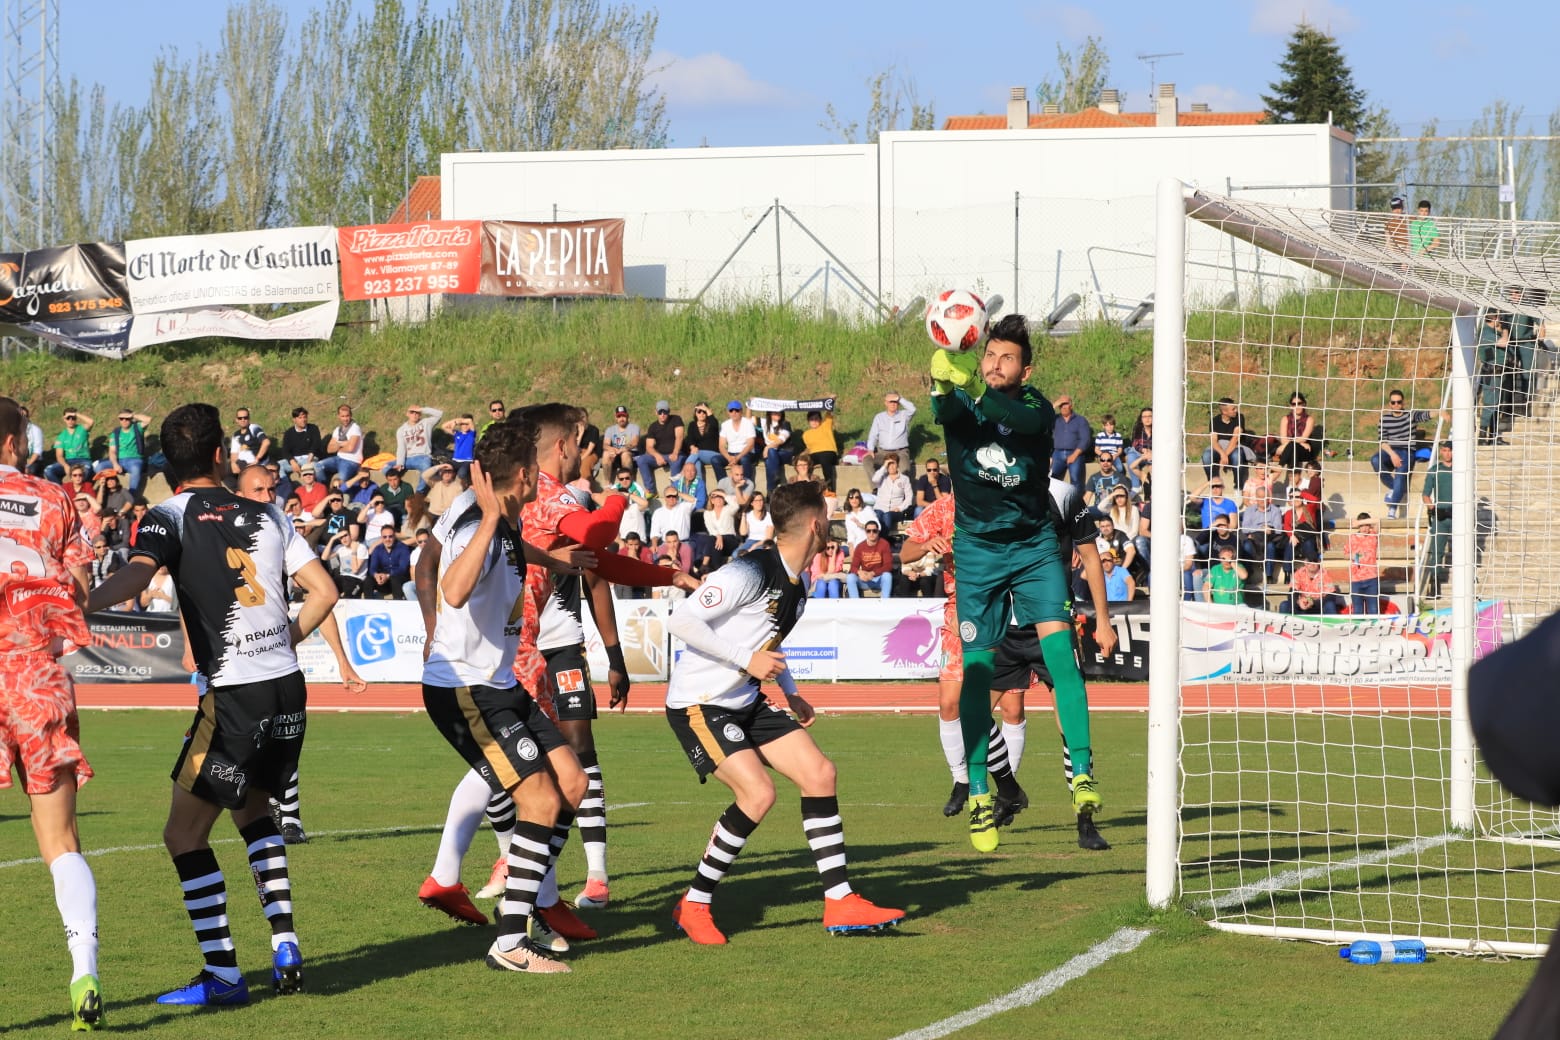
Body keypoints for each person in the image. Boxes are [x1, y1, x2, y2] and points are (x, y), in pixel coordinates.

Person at [84, 402, 339, 1006]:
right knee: (255, 811)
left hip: (236, 697)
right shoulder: (270, 513)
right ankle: (285, 942)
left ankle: (223, 974)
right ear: (221, 455)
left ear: (165, 465)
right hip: (287, 687)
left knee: (183, 834)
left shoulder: (166, 517)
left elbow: (139, 574)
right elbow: (324, 592)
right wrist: (283, 639)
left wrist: (81, 605)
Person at [664, 480, 903, 943]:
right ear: (815, 524)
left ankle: (840, 902)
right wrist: (745, 659)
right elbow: (681, 619)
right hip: (702, 704)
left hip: (746, 699)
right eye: (829, 514)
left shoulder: (798, 581)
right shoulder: (749, 570)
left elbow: (767, 645)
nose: (832, 522)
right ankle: (693, 904)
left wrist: (790, 691)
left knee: (820, 773)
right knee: (758, 794)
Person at [419, 418, 586, 974]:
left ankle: (529, 896)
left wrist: (554, 562)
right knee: (538, 800)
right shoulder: (479, 520)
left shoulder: (505, 521)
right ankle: (512, 940)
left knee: (573, 783)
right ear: (520, 474)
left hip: (499, 684)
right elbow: (455, 588)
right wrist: (489, 519)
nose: (541, 475)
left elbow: (513, 552)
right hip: (466, 690)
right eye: (535, 468)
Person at [929, 313, 1101, 851]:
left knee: (1062, 659)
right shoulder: (963, 406)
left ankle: (1083, 779)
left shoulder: (1035, 408)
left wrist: (973, 382)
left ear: (1026, 370)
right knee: (977, 675)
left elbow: (1015, 420)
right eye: (989, 355)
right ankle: (979, 791)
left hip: (1033, 548)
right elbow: (948, 407)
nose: (997, 364)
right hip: (977, 553)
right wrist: (942, 381)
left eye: (1008, 358)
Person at [0, 396, 104, 1030]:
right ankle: (83, 970)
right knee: (62, 842)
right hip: (35, 672)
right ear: (14, 442)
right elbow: (81, 587)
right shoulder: (54, 496)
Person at [235, 463, 366, 844]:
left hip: (274, 657)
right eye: (258, 491)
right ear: (240, 496)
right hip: (231, 655)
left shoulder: (281, 529)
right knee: (236, 744)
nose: (267, 497)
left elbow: (321, 594)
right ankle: (254, 808)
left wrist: (341, 660)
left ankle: (290, 818)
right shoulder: (218, 532)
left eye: (271, 489)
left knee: (285, 736)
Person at [1201, 397, 1255, 490]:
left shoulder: (1239, 417)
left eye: (1235, 408)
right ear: (1224, 412)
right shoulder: (1214, 421)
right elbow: (1214, 441)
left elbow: (1235, 439)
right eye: (1233, 409)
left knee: (1237, 456)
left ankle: (1238, 487)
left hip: (1234, 448)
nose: (1236, 410)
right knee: (1206, 456)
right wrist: (1222, 454)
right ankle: (1214, 484)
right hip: (1219, 448)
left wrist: (1225, 455)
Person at [1422, 441, 1453, 599]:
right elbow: (1425, 494)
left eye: (1450, 451)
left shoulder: (1461, 470)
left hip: (1458, 514)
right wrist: (1431, 507)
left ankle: (1470, 577)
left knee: (1465, 547)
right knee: (1437, 551)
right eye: (1444, 451)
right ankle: (1435, 584)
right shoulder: (1435, 470)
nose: (1447, 454)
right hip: (1440, 515)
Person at [97, 409, 153, 496]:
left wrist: (133, 415)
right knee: (100, 467)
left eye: (127, 419)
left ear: (130, 419)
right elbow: (112, 451)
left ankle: (131, 495)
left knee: (135, 470)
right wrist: (115, 464)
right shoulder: (116, 432)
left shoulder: (137, 427)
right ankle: (108, 492)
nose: (124, 421)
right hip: (119, 460)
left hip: (134, 460)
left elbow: (148, 419)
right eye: (121, 418)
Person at [635, 400, 685, 492]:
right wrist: (657, 456)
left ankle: (674, 491)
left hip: (675, 453)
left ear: (669, 411)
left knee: (676, 460)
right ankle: (650, 490)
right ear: (656, 412)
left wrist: (675, 452)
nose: (662, 414)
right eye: (660, 412)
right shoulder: (653, 427)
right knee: (642, 460)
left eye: (665, 412)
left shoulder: (676, 419)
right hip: (660, 455)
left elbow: (679, 437)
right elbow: (649, 447)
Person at [864, 391, 915, 479]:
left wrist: (899, 398)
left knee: (905, 469)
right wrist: (871, 449)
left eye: (895, 401)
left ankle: (901, 490)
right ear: (885, 403)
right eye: (890, 401)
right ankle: (875, 488)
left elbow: (912, 409)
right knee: (867, 460)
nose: (893, 404)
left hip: (900, 452)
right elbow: (873, 435)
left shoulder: (904, 415)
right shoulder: (879, 417)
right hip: (882, 452)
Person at [1049, 394, 1091, 486]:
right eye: (1061, 405)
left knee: (1076, 480)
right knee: (1051, 478)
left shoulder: (1080, 420)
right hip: (1057, 453)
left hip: (1075, 453)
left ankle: (1076, 500)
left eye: (1065, 404)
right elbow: (1042, 416)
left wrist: (1075, 455)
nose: (1063, 407)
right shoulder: (1055, 419)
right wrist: (1055, 404)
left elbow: (1085, 439)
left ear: (1071, 405)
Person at [318, 404, 364, 485]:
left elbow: (350, 448)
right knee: (317, 466)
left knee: (340, 482)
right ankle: (323, 487)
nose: (345, 419)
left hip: (351, 461)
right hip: (338, 458)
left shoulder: (355, 428)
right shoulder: (337, 430)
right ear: (338, 416)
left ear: (351, 415)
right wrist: (342, 444)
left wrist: (337, 445)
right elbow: (329, 449)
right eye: (343, 416)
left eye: (347, 416)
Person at [844, 520, 893, 598]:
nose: (871, 533)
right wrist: (859, 572)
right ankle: (854, 605)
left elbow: (888, 566)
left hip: (878, 579)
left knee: (887, 576)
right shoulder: (860, 546)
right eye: (868, 531)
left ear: (878, 532)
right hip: (865, 579)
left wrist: (873, 573)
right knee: (850, 577)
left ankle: (885, 604)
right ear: (865, 532)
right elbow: (853, 566)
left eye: (874, 531)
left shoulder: (884, 544)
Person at [46, 408, 95, 484]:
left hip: (83, 460)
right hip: (69, 461)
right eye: (68, 418)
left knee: (87, 471)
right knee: (48, 470)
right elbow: (59, 456)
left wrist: (76, 414)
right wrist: (65, 465)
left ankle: (81, 489)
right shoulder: (61, 436)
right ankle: (62, 490)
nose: (70, 420)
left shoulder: (82, 429)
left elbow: (91, 422)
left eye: (73, 418)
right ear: (64, 419)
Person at [1347, 512, 1382, 615]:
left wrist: (1359, 522)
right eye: (1362, 526)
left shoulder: (1373, 535)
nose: (1365, 528)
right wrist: (1352, 556)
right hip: (1356, 579)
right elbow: (1345, 553)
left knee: (1373, 609)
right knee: (1357, 610)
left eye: (1367, 525)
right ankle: (1358, 630)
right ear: (1358, 526)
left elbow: (1377, 520)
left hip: (1371, 578)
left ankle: (1374, 631)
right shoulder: (1352, 537)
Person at [682, 402, 726, 485]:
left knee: (697, 453)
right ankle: (701, 490)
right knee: (697, 464)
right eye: (699, 411)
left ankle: (682, 473)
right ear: (695, 413)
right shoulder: (692, 425)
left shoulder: (712, 424)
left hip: (713, 455)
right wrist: (692, 447)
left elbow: (713, 421)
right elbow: (690, 439)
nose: (701, 413)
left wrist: (706, 409)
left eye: (704, 412)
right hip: (698, 456)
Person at [394, 404, 443, 477]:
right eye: (412, 412)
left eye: (417, 413)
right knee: (386, 466)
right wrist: (400, 463)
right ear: (407, 414)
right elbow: (401, 448)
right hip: (407, 458)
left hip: (422, 457)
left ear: (420, 414)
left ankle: (420, 489)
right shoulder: (401, 430)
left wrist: (422, 409)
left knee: (426, 468)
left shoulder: (426, 423)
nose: (414, 414)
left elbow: (439, 414)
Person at [869, 453, 913, 535]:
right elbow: (874, 479)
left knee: (887, 515)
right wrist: (884, 466)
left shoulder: (904, 479)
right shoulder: (882, 477)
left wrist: (900, 508)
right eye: (889, 464)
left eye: (893, 463)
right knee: (877, 515)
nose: (891, 466)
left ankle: (883, 541)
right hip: (880, 508)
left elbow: (909, 497)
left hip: (895, 512)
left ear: (898, 465)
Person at [366, 524, 411, 599]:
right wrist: (376, 575)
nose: (388, 539)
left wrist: (388, 575)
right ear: (381, 538)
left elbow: (402, 568)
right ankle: (368, 606)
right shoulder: (378, 549)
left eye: (390, 536)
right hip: (383, 580)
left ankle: (398, 604)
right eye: (385, 537)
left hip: (399, 579)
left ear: (394, 536)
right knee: (368, 580)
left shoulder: (403, 548)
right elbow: (372, 568)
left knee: (395, 579)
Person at [1274, 391, 1316, 469]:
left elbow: (1303, 439)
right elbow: (1283, 440)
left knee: (1294, 448)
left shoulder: (1309, 420)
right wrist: (1298, 444)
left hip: (1304, 451)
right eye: (1294, 404)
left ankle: (1279, 468)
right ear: (1291, 406)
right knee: (1293, 449)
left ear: (1304, 404)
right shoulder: (1285, 419)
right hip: (1293, 449)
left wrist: (1298, 444)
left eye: (1299, 403)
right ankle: (1291, 476)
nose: (1297, 406)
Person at [226, 406, 270, 481]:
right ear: (236, 420)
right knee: (225, 472)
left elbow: (266, 442)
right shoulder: (236, 435)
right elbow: (234, 453)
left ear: (249, 418)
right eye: (240, 418)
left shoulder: (254, 428)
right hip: (242, 464)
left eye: (245, 417)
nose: (243, 420)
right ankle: (238, 491)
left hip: (256, 464)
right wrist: (233, 464)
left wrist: (257, 459)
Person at [718, 401, 758, 482]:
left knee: (744, 459)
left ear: (741, 411)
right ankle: (723, 484)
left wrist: (737, 457)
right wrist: (729, 458)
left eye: (736, 410)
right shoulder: (725, 425)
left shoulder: (748, 423)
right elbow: (721, 446)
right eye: (731, 411)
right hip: (731, 454)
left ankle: (747, 485)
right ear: (728, 412)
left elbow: (750, 444)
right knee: (715, 460)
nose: (734, 413)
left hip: (746, 453)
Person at [800, 407, 839, 490]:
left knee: (824, 459)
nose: (814, 421)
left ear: (820, 420)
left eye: (816, 419)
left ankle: (830, 488)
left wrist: (831, 400)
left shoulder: (825, 426)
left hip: (828, 453)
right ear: (808, 421)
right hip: (814, 455)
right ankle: (806, 487)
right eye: (811, 419)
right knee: (803, 462)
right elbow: (809, 448)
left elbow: (829, 412)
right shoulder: (806, 434)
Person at [758, 409, 794, 490]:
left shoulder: (785, 424)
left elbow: (781, 440)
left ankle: (771, 488)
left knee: (770, 453)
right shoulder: (764, 422)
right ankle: (773, 484)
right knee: (769, 459)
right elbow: (749, 418)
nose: (777, 413)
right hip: (772, 454)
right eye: (774, 412)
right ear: (770, 413)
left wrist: (767, 447)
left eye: (779, 412)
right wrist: (749, 406)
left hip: (785, 453)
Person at [600, 406, 640, 477]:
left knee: (625, 454)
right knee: (606, 454)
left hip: (630, 454)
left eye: (623, 416)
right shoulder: (610, 429)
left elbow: (634, 442)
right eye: (619, 416)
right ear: (616, 417)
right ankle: (607, 485)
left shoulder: (634, 427)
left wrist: (622, 449)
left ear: (627, 416)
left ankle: (628, 483)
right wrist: (612, 449)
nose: (621, 419)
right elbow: (605, 445)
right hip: (616, 454)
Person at [441, 413, 479, 481]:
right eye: (462, 424)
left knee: (461, 474)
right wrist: (455, 421)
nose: (464, 426)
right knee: (445, 469)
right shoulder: (457, 433)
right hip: (455, 460)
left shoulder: (471, 434)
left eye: (466, 424)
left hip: (467, 461)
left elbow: (469, 421)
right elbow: (443, 426)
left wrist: (459, 421)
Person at [1125, 407, 1153, 493]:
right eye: (1144, 416)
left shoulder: (1160, 429)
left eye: (1150, 416)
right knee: (1130, 458)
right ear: (1141, 419)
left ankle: (1152, 489)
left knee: (1152, 466)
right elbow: (1135, 444)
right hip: (1137, 452)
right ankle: (1136, 485)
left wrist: (1151, 452)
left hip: (1153, 453)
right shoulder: (1138, 428)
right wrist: (1143, 450)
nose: (1147, 419)